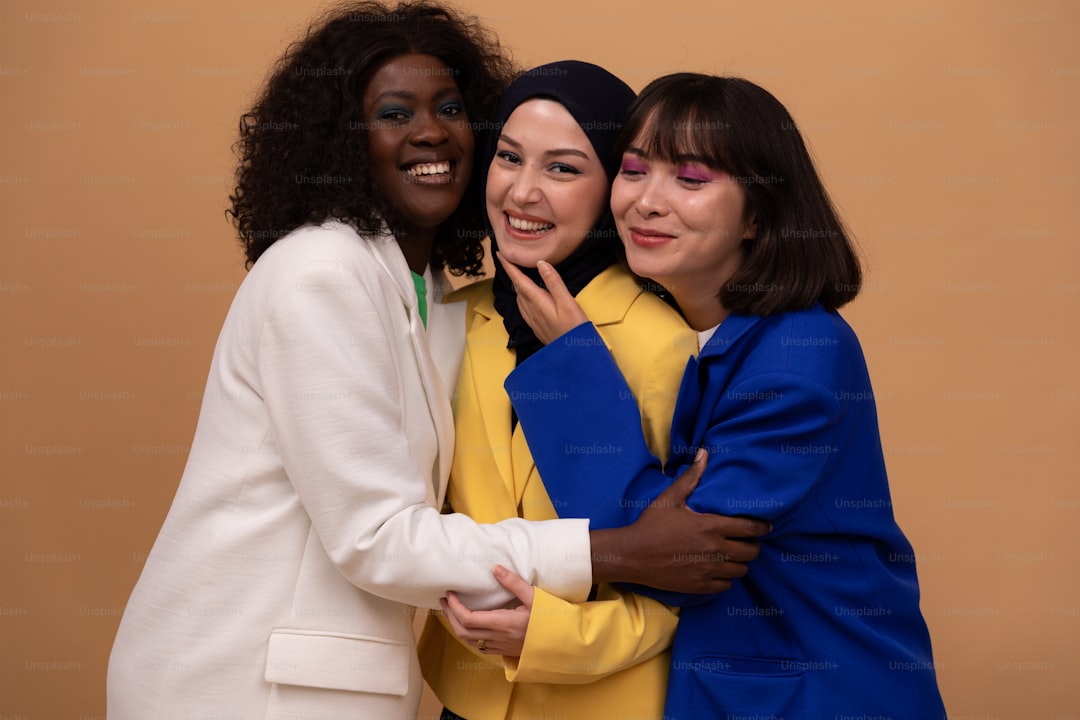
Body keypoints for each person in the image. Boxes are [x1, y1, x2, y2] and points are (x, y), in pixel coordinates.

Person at [106, 7, 768, 719]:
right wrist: (615, 551)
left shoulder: (445, 302)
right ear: (342, 141)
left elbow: (699, 571)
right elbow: (380, 537)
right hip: (242, 681)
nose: (429, 131)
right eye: (395, 112)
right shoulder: (323, 277)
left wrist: (570, 622)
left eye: (451, 109)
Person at [501, 73, 947, 720]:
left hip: (822, 697)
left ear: (758, 215)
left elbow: (680, 558)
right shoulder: (699, 335)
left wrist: (575, 365)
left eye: (690, 179)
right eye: (633, 170)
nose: (647, 202)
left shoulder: (801, 355)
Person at [416, 61, 701, 720]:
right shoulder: (455, 317)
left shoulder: (666, 343)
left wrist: (550, 635)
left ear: (613, 191)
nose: (522, 192)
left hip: (606, 701)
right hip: (464, 692)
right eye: (508, 158)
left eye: (563, 169)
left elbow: (691, 573)